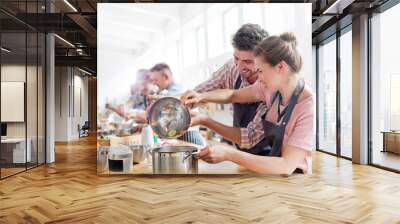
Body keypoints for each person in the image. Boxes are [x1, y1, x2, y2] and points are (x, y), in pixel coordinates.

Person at [182, 33, 315, 175]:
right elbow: (233, 95)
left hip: (296, 179)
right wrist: (201, 96)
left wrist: (229, 154)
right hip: (272, 173)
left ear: (280, 67)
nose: (259, 77)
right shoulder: (270, 89)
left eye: (261, 71)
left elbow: (286, 166)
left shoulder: (306, 106)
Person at [181, 23, 270, 155]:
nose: (240, 67)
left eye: (248, 62)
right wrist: (183, 104)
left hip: (269, 158)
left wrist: (204, 120)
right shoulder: (232, 68)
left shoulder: (271, 86)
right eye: (236, 58)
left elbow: (249, 138)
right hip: (241, 152)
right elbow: (204, 90)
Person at [149, 63, 205, 146]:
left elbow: (168, 106)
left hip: (189, 137)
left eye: (156, 80)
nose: (154, 83)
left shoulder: (177, 90)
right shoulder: (170, 90)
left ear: (166, 77)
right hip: (182, 136)